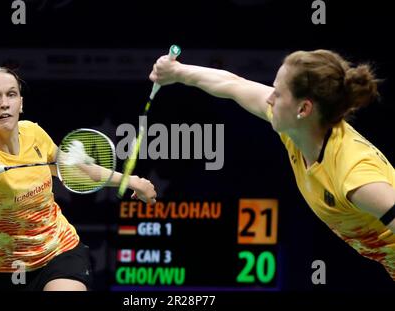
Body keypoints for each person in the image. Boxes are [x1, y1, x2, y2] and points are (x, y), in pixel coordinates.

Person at [149, 49, 395, 280]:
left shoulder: (355, 175)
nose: (269, 98)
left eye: (277, 93)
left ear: (304, 108)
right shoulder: (299, 129)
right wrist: (177, 72)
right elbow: (234, 85)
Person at [0, 67, 157, 291]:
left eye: (11, 94)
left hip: (59, 249)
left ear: (20, 103)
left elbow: (77, 169)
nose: (4, 103)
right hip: (7, 265)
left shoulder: (33, 133)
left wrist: (133, 181)